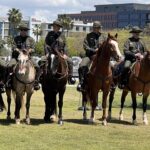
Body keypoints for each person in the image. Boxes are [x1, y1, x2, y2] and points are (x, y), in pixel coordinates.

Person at [77, 21, 106, 110]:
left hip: (101, 57)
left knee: (112, 66)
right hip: (90, 56)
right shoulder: (88, 36)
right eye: (95, 28)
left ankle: (111, 83)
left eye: (98, 28)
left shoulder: (104, 36)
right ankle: (81, 83)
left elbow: (106, 46)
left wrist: (100, 50)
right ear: (93, 28)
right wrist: (94, 50)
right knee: (82, 65)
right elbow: (85, 46)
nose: (96, 29)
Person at [6, 23, 41, 90]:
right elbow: (13, 47)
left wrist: (29, 51)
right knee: (9, 66)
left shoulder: (31, 39)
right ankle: (9, 81)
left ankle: (36, 82)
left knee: (37, 67)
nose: (23, 31)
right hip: (16, 58)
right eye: (22, 30)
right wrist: (19, 51)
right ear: (20, 31)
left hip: (28, 58)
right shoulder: (16, 38)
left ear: (27, 31)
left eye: (25, 30)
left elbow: (33, 49)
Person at [44, 20, 76, 85]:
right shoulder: (49, 34)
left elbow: (65, 45)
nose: (54, 27)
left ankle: (70, 77)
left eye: (56, 26)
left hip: (60, 54)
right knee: (42, 60)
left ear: (59, 28)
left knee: (70, 62)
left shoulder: (62, 35)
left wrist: (65, 54)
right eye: (53, 26)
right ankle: (40, 77)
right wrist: (47, 53)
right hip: (51, 53)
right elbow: (45, 44)